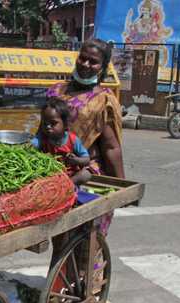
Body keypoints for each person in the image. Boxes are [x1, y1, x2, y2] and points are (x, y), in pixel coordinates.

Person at [47, 38, 125, 236]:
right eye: (83, 58)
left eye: (93, 61)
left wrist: (122, 185)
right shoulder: (56, 91)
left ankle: (85, 268)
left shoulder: (102, 100)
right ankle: (61, 267)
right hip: (54, 168)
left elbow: (111, 147)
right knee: (59, 236)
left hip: (85, 170)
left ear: (102, 67)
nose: (86, 64)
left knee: (86, 239)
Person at [32, 98, 91, 186]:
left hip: (69, 176)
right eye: (45, 123)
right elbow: (31, 145)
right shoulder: (42, 138)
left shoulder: (73, 140)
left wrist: (76, 160)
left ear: (66, 124)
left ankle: (66, 186)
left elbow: (86, 160)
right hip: (49, 175)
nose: (48, 127)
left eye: (53, 123)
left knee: (86, 174)